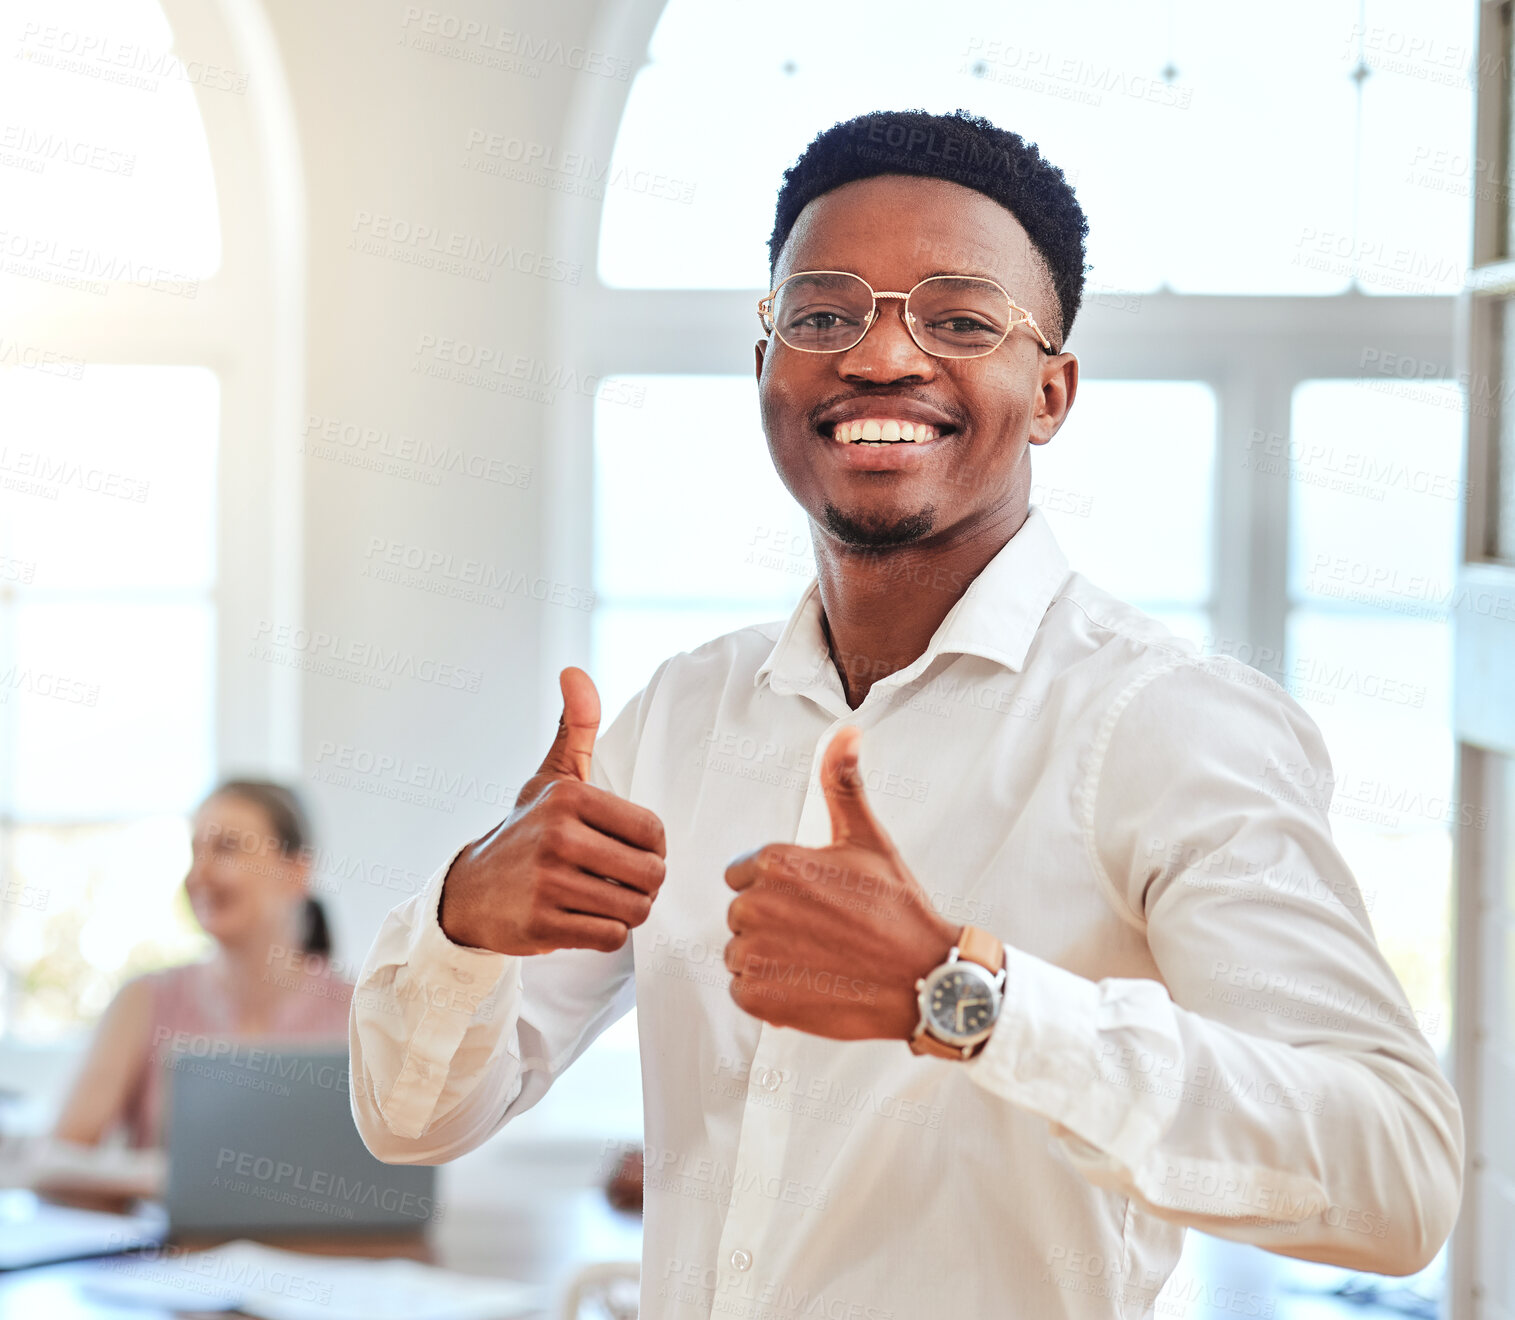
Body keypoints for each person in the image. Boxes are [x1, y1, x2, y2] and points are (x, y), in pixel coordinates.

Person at [349, 109, 1463, 1319]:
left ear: (1051, 392)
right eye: (823, 314)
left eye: (960, 320)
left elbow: (1395, 1180)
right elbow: (415, 1121)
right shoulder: (676, 718)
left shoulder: (1165, 724)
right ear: (765, 358)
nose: (881, 360)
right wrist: (464, 922)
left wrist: (960, 995)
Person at [54, 780, 352, 1149]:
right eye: (196, 852)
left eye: (226, 849)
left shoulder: (359, 1012)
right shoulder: (145, 1001)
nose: (198, 875)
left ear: (296, 872)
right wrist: (167, 1182)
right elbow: (54, 1158)